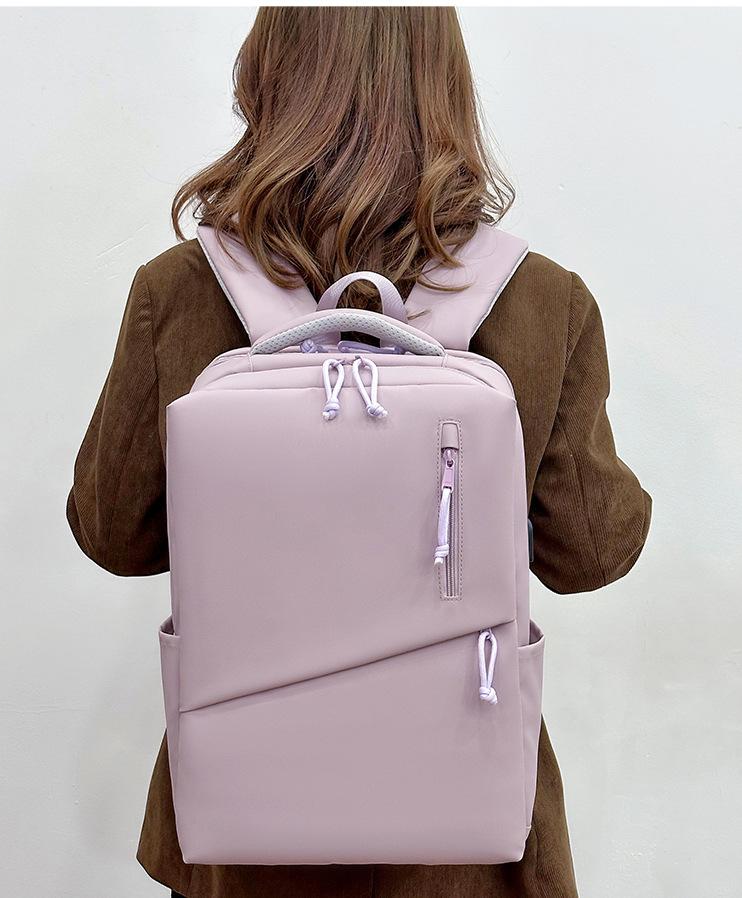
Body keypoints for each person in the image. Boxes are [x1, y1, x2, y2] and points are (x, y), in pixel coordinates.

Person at [66, 8, 651, 898]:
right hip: (466, 843)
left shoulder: (180, 291)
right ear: (444, 88)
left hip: (242, 825)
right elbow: (592, 553)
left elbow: (115, 535)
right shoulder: (538, 299)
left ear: (268, 77)